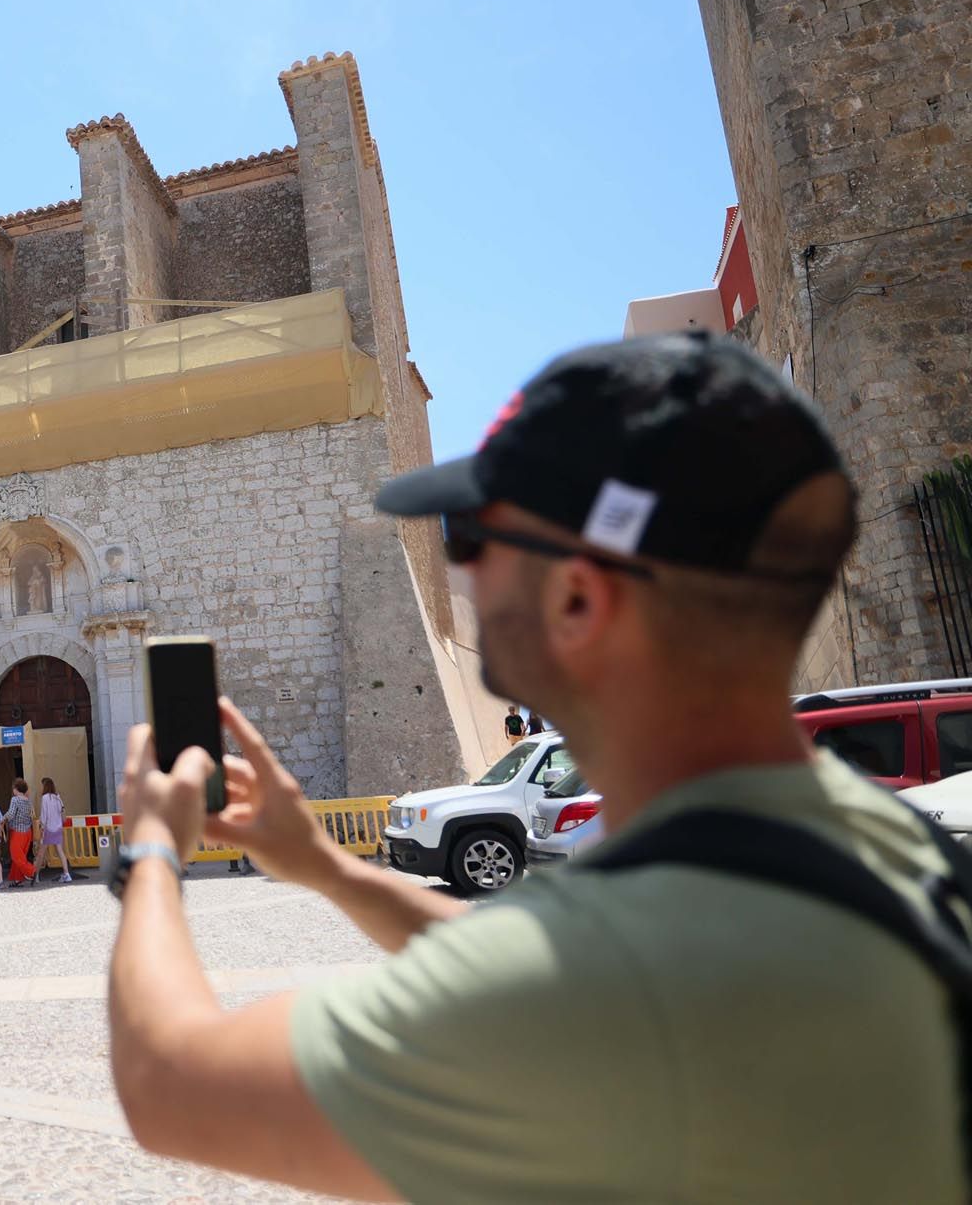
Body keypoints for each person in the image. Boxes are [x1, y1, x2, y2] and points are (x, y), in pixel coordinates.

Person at [104, 333, 969, 1201]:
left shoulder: (605, 978)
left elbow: (168, 1084)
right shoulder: (904, 858)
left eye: (478, 533)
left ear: (579, 597)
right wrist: (328, 869)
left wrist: (151, 855)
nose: (460, 565)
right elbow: (532, 961)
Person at [36, 776, 73, 884]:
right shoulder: (58, 797)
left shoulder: (45, 798)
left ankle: (36, 875)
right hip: (58, 827)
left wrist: (42, 826)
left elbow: (44, 815)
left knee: (41, 853)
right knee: (60, 851)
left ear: (45, 786)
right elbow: (63, 813)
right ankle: (67, 874)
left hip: (48, 829)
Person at [2, 777, 36, 887]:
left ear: (16, 789)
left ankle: (32, 871)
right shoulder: (28, 800)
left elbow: (11, 814)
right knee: (21, 856)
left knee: (16, 856)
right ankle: (18, 879)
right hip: (27, 833)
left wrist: (2, 819)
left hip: (17, 832)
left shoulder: (15, 799)